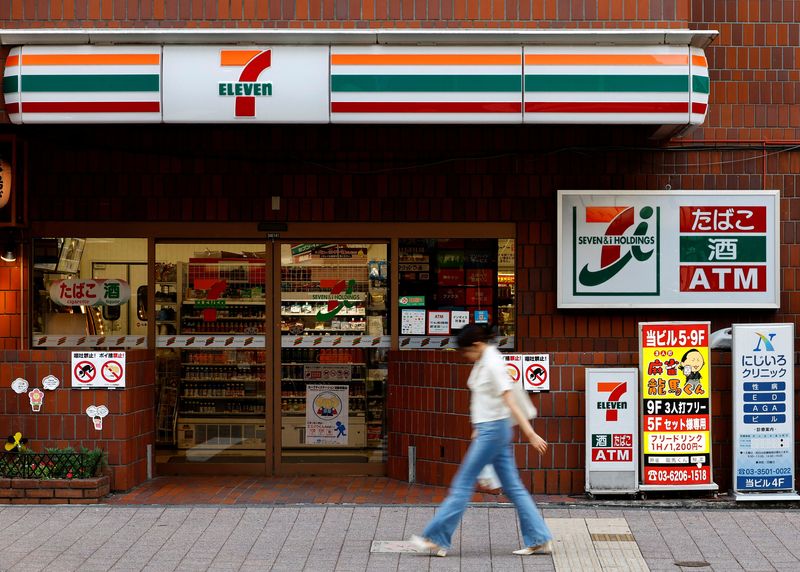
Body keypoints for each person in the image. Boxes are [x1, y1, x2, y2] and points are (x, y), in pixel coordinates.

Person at [410, 323, 553, 557]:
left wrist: (530, 433)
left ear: (477, 345)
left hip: (493, 432)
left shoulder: (493, 363)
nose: (466, 356)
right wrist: (479, 426)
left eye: (467, 351)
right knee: (513, 488)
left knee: (462, 485)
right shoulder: (485, 359)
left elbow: (510, 400)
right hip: (491, 430)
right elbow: (489, 400)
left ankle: (436, 539)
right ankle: (539, 538)